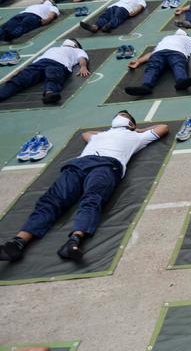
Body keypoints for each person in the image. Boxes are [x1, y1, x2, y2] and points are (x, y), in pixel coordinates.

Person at [0, 112, 169, 262]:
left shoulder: (137, 137)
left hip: (107, 165)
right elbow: (85, 134)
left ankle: (74, 241)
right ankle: (18, 242)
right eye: (118, 115)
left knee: (92, 198)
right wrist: (114, 130)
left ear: (132, 124)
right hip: (78, 165)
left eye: (124, 116)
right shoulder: (100, 135)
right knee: (52, 200)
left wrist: (138, 130)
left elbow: (163, 127)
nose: (120, 116)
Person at [0, 38, 89, 104]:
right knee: (20, 79)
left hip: (58, 63)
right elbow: (36, 61)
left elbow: (82, 58)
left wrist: (83, 67)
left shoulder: (78, 50)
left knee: (53, 77)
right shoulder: (53, 48)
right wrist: (19, 71)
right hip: (41, 62)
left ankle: (49, 94)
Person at [125, 29, 191, 96]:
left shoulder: (176, 38)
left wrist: (139, 61)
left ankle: (147, 85)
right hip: (173, 53)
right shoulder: (186, 38)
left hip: (163, 53)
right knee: (178, 65)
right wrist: (138, 61)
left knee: (153, 67)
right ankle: (180, 81)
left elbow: (152, 52)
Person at [80, 0, 146, 33]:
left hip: (120, 7)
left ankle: (102, 26)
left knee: (111, 17)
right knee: (112, 17)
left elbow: (140, 7)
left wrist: (135, 12)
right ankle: (99, 26)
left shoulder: (140, 0)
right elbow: (139, 7)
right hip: (119, 7)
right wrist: (134, 12)